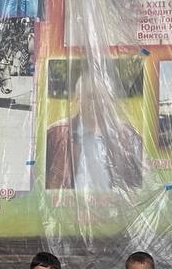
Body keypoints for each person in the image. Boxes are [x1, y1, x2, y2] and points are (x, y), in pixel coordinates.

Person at [44, 60, 143, 190]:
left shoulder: (128, 137)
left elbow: (144, 182)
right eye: (91, 97)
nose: (97, 103)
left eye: (103, 97)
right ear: (77, 99)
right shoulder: (55, 135)